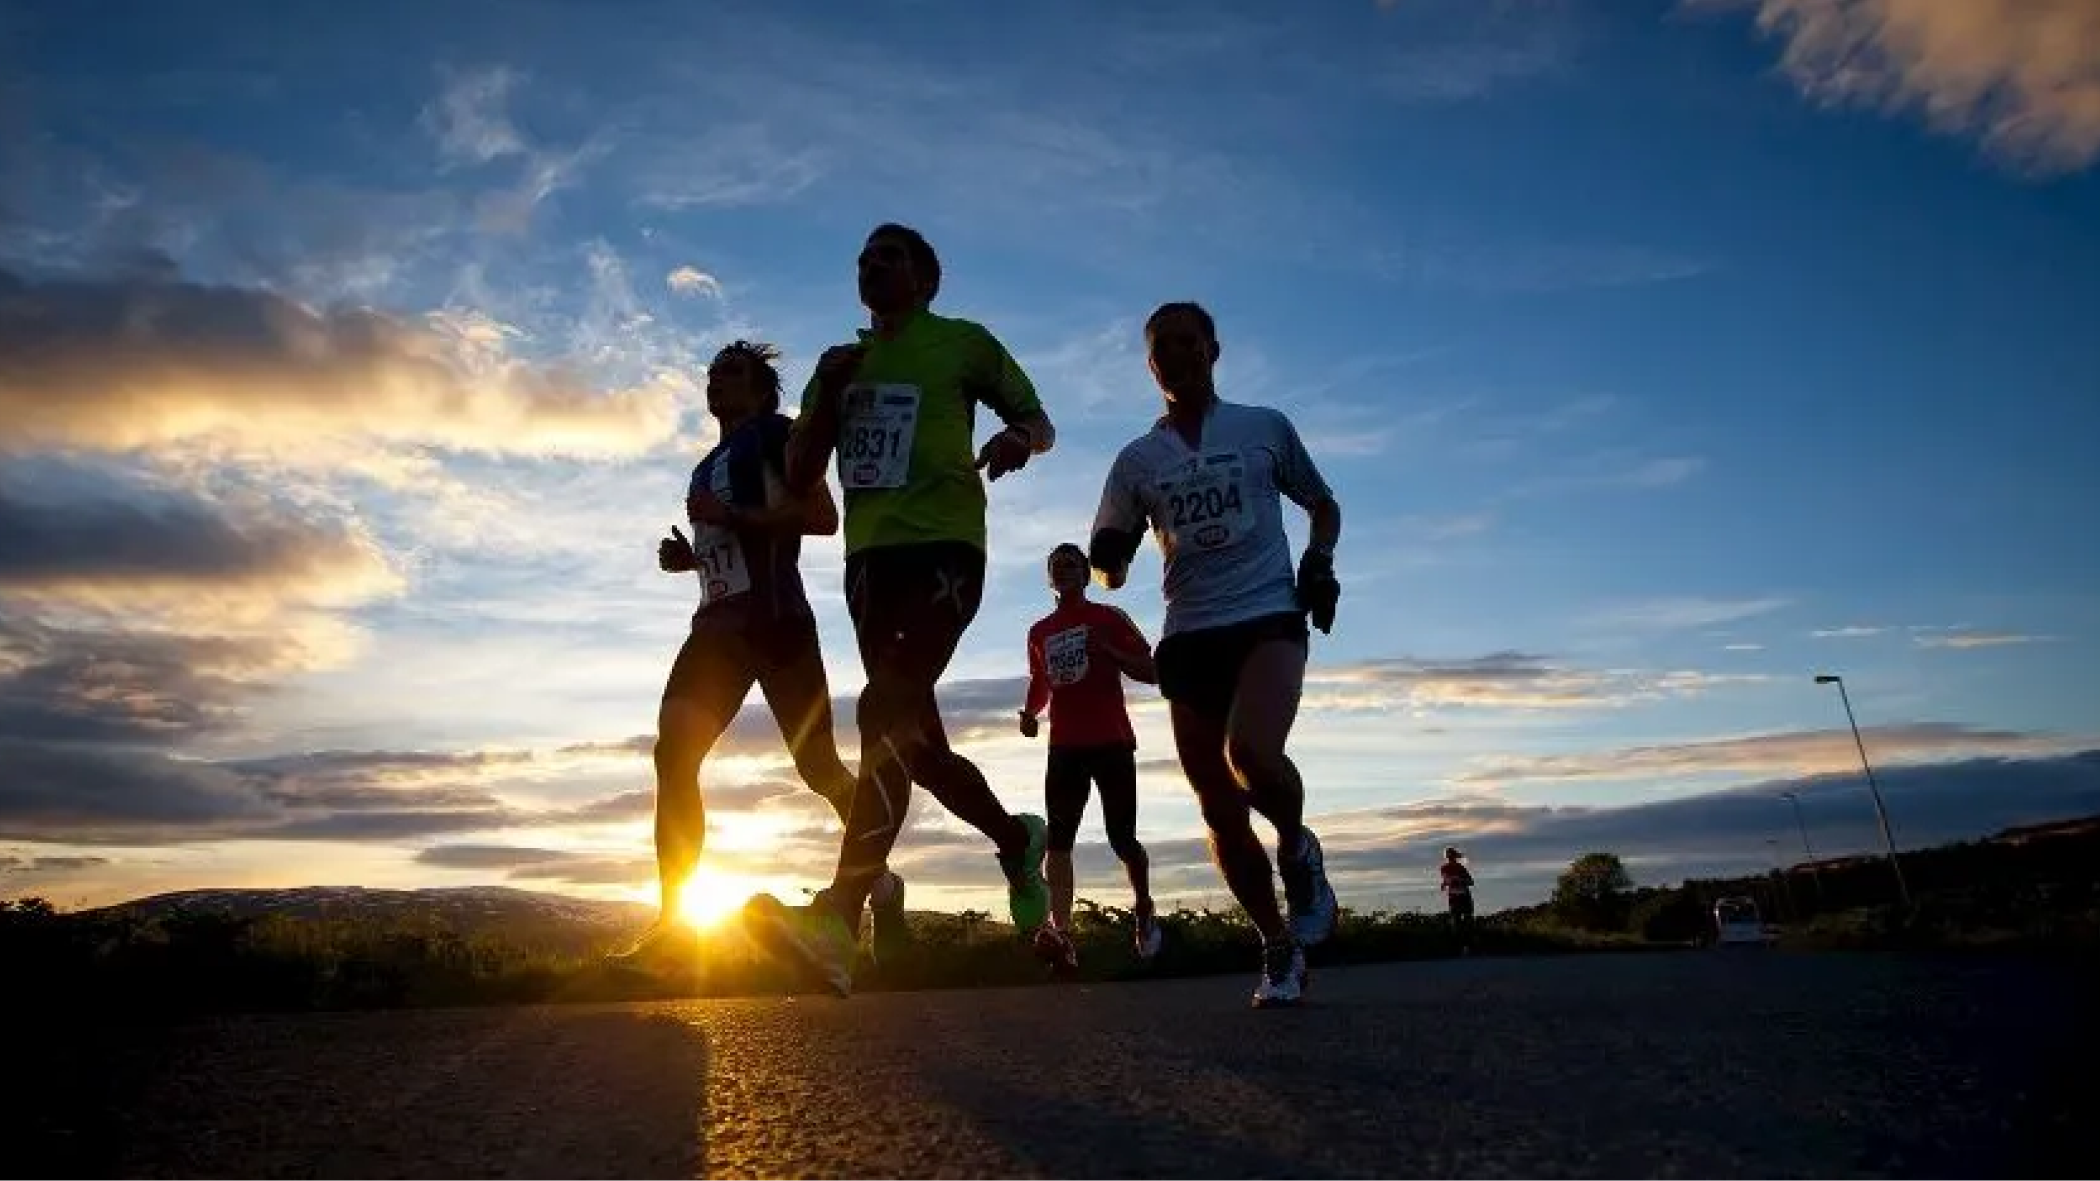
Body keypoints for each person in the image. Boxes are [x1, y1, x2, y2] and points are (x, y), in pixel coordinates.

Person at [741, 223, 1058, 997]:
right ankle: (1018, 842)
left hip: (947, 550)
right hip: (868, 563)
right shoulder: (839, 364)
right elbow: (801, 468)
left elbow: (1039, 421)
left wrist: (1017, 437)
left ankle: (837, 919)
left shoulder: (962, 343)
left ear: (924, 277)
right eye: (862, 257)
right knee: (911, 746)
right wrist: (827, 401)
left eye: (888, 256)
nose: (869, 265)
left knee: (881, 710)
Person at [1087, 300, 1343, 1009]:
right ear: (1149, 363)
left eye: (1187, 341)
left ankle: (1297, 845)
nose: (1175, 354)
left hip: (1267, 614)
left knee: (1252, 755)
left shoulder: (1262, 427)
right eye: (1160, 346)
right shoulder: (1137, 459)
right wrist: (1109, 557)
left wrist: (1318, 562)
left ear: (1213, 350)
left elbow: (1323, 504)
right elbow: (1111, 560)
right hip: (1191, 631)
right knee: (1218, 806)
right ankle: (1277, 944)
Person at [616, 340, 906, 963]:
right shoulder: (703, 465)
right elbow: (730, 538)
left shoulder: (778, 433)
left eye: (732, 374)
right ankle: (673, 926)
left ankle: (878, 879)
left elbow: (821, 518)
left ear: (762, 389)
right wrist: (691, 557)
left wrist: (730, 515)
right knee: (673, 755)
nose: (716, 383)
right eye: (713, 375)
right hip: (715, 628)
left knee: (820, 770)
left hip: (777, 623)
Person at [1020, 542, 1163, 973]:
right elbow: (1041, 681)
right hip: (1064, 747)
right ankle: (1063, 935)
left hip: (1111, 742)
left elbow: (1152, 669)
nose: (1063, 571)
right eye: (1056, 567)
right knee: (1059, 843)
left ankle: (1143, 906)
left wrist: (1112, 654)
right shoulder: (1039, 631)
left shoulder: (1108, 617)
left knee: (1123, 839)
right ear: (1050, 579)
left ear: (1085, 574)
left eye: (1071, 565)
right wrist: (1030, 713)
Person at [1440, 846, 1475, 951]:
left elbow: (1471, 882)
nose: (1450, 858)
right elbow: (1447, 879)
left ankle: (1467, 946)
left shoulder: (1460, 867)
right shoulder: (1444, 868)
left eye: (1452, 856)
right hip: (1455, 897)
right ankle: (1459, 946)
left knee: (1466, 921)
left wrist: (1459, 880)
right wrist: (1445, 883)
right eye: (1449, 856)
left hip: (1464, 896)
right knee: (1457, 922)